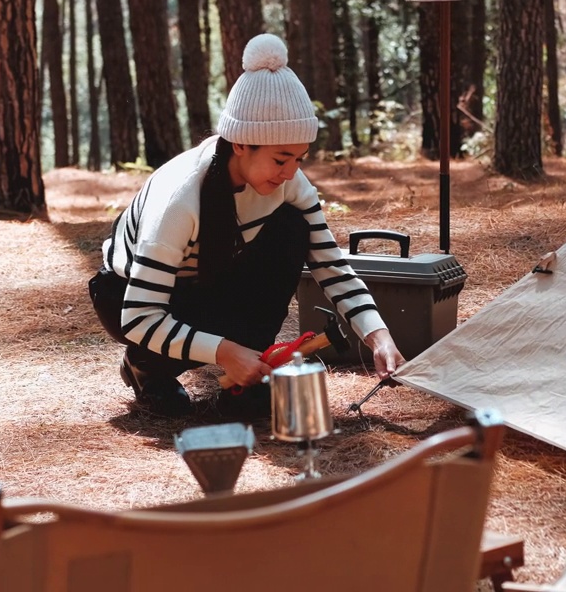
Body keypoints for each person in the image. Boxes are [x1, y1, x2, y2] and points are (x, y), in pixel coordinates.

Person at [89, 33, 404, 416]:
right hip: (128, 296)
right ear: (241, 144)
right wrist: (224, 350)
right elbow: (140, 316)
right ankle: (146, 368)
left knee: (291, 229)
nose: (290, 173)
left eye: (300, 159)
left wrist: (378, 336)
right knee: (167, 334)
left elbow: (330, 266)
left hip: (205, 283)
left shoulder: (290, 183)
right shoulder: (180, 198)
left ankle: (248, 375)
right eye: (280, 159)